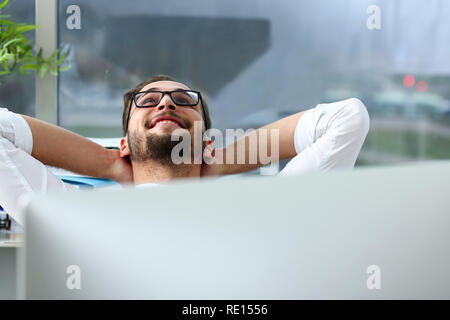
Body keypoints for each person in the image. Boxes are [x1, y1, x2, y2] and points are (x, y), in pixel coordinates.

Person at [0, 75, 370, 224]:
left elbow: (346, 119)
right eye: (148, 100)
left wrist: (220, 162)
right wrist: (109, 163)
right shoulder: (74, 215)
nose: (165, 105)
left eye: (181, 100)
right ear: (125, 143)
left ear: (207, 142)